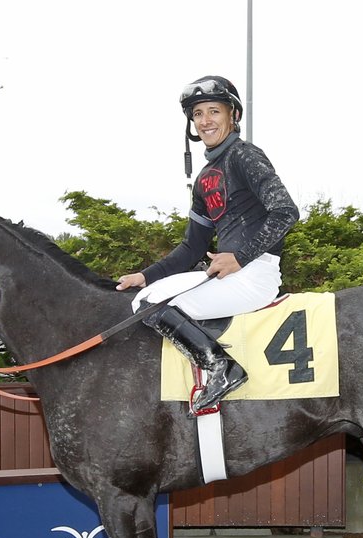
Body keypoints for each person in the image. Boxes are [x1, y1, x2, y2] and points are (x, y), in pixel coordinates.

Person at [115, 74, 298, 413]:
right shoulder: (203, 179)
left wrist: (241, 258)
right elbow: (191, 248)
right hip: (229, 273)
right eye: (198, 114)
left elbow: (286, 212)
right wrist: (145, 275)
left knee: (151, 305)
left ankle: (221, 367)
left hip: (254, 275)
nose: (205, 121)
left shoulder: (245, 156)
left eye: (214, 111)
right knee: (145, 296)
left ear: (233, 115)